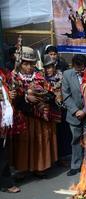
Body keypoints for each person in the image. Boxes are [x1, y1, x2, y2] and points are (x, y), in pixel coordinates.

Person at [9, 46, 58, 178]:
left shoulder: (40, 76)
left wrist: (41, 97)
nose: (29, 67)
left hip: (39, 117)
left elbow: (51, 93)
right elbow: (11, 97)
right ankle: (22, 168)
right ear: (20, 63)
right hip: (22, 116)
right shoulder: (13, 77)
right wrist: (25, 97)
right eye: (25, 64)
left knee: (39, 140)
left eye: (31, 63)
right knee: (23, 142)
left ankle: (39, 166)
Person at [62, 54, 86, 176]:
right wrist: (75, 110)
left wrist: (84, 110)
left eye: (82, 68)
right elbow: (66, 95)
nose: (80, 70)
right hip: (74, 115)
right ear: (73, 66)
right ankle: (75, 165)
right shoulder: (67, 74)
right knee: (76, 140)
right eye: (78, 68)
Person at [0, 68, 20, 193]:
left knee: (1, 151)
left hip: (2, 117)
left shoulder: (2, 73)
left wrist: (10, 94)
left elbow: (9, 87)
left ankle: (5, 182)